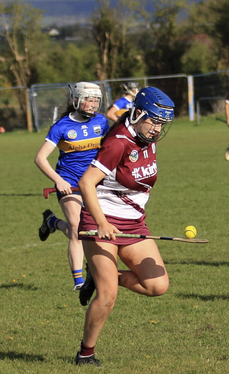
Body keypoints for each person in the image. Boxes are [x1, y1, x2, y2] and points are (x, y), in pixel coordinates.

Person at [73, 87, 174, 367]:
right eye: (154, 121)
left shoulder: (147, 138)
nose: (157, 129)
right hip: (99, 222)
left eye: (162, 124)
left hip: (133, 224)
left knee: (157, 285)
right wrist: (102, 222)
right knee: (107, 298)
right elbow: (86, 183)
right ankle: (85, 355)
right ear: (138, 113)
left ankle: (101, 275)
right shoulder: (118, 142)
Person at [35, 82, 110, 291]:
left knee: (94, 229)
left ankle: (52, 223)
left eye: (96, 100)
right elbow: (40, 158)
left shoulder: (102, 122)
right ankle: (78, 282)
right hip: (69, 182)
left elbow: (111, 150)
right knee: (78, 229)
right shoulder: (61, 126)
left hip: (94, 183)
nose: (93, 104)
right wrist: (59, 181)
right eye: (89, 99)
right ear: (76, 99)